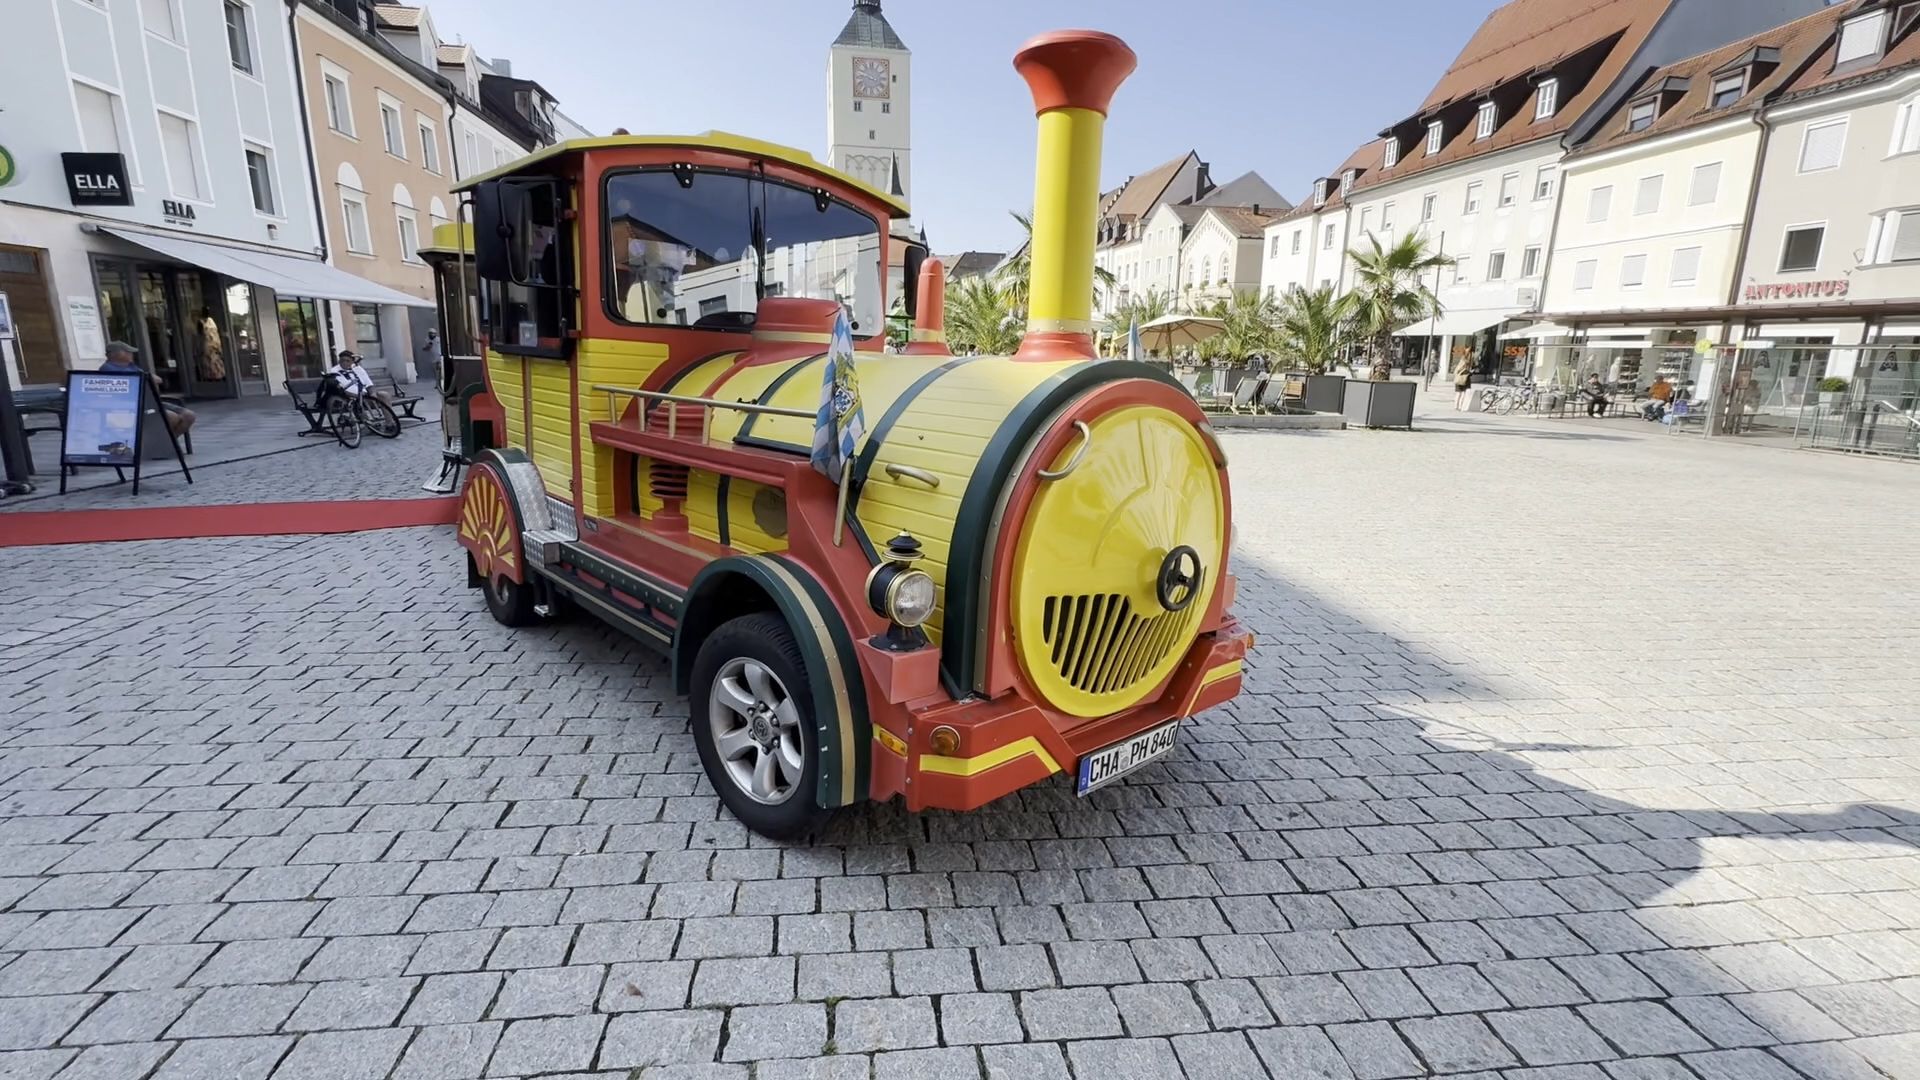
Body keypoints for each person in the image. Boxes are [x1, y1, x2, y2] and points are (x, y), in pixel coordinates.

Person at [102, 341, 195, 440]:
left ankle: (167, 442)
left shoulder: (131, 366)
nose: (131, 354)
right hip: (130, 405)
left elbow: (157, 379)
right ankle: (159, 443)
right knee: (171, 417)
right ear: (117, 354)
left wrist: (147, 379)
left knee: (189, 415)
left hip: (149, 401)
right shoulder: (108, 369)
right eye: (128, 352)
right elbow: (135, 382)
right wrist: (147, 379)